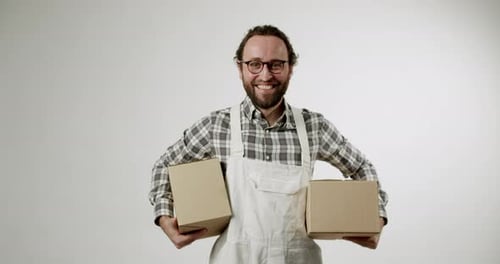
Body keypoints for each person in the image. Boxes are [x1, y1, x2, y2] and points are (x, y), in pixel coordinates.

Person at [149, 24, 388, 263]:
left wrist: (375, 216)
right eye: (254, 64)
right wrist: (163, 216)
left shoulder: (314, 126)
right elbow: (165, 166)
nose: (265, 75)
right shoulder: (216, 126)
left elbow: (362, 168)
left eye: (276, 64)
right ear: (240, 68)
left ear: (290, 68)